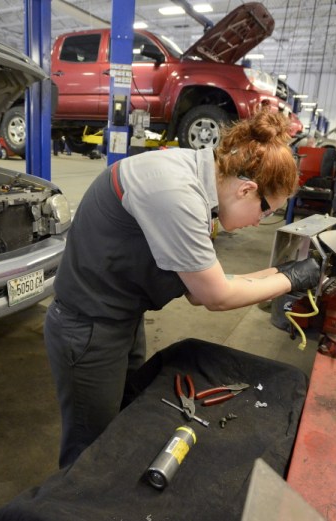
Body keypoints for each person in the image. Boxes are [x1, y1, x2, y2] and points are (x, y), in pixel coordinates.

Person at [44, 110, 321, 468]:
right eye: (266, 212)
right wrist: (293, 279)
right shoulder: (177, 194)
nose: (258, 222)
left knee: (123, 420)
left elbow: (204, 283)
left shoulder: (195, 176)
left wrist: (277, 272)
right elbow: (214, 296)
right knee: (87, 450)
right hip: (87, 329)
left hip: (118, 319)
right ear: (247, 188)